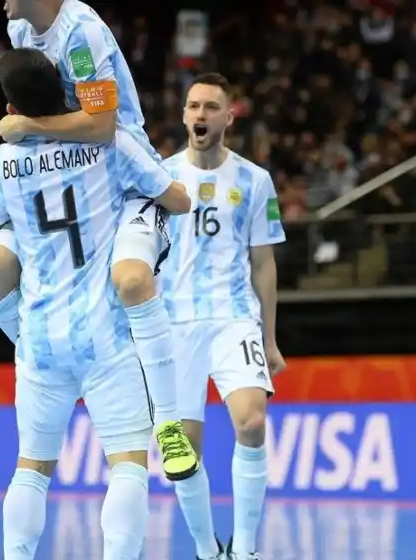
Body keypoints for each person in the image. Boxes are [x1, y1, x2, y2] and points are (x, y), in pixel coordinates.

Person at [0, 0, 200, 482]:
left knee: (131, 280)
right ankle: (48, 355)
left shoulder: (81, 33)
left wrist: (28, 127)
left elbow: (100, 125)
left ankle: (168, 423)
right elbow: (38, 97)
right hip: (60, 176)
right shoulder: (19, 29)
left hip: (117, 168)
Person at [159, 73, 288, 560]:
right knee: (180, 452)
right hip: (174, 326)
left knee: (251, 423)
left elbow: (263, 262)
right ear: (184, 114)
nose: (200, 114)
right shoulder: (160, 177)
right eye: (193, 105)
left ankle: (247, 550)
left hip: (233, 317)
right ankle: (206, 550)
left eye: (211, 106)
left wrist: (269, 339)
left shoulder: (255, 180)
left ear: (229, 117)